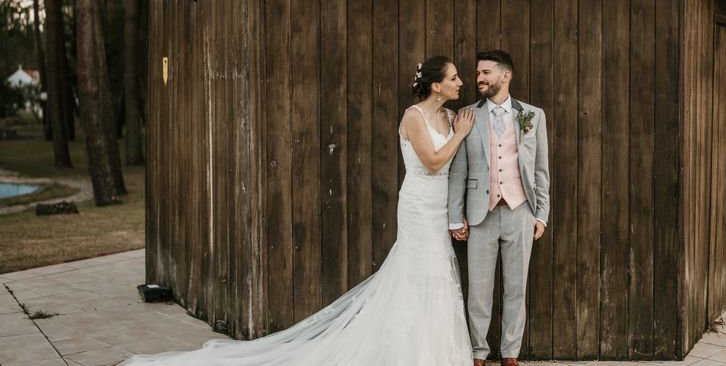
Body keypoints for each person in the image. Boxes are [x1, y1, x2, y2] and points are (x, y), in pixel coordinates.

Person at [122, 55, 476, 365]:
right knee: (417, 272)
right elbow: (431, 162)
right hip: (417, 203)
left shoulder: (449, 115)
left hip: (438, 206)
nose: (461, 82)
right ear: (436, 85)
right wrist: (459, 136)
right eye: (454, 77)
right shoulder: (414, 117)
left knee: (439, 274)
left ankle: (437, 351)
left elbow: (455, 170)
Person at [448, 50, 550, 366]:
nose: (479, 78)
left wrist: (542, 214)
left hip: (521, 212)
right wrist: (454, 216)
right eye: (478, 73)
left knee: (516, 289)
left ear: (505, 76)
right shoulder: (467, 114)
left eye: (486, 73)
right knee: (479, 291)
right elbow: (458, 170)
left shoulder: (531, 115)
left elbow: (540, 169)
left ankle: (510, 353)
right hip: (481, 214)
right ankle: (478, 353)